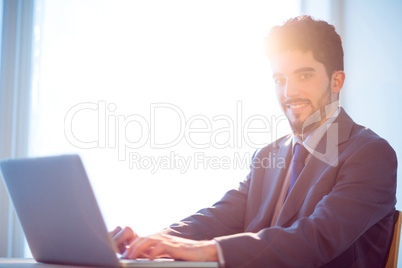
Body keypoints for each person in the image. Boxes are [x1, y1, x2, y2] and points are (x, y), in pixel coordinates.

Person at [111, 15, 397, 267]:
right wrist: (150, 242)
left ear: (336, 82)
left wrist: (202, 251)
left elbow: (314, 239)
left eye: (305, 75)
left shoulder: (370, 154)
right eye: (279, 79)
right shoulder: (268, 155)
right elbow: (218, 218)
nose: (289, 92)